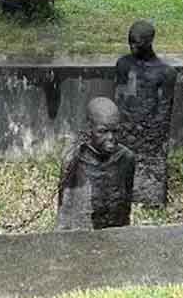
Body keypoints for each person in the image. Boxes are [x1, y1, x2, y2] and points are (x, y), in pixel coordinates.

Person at [114, 20, 175, 205]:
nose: (132, 47)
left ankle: (150, 196)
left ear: (149, 42)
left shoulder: (165, 73)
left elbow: (164, 110)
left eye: (137, 43)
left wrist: (151, 134)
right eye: (130, 41)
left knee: (149, 169)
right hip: (126, 130)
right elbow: (119, 96)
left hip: (150, 135)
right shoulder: (123, 64)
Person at [57, 97, 135, 231]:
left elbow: (126, 204)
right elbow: (65, 211)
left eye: (115, 131)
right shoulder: (74, 160)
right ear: (89, 129)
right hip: (83, 235)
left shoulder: (126, 158)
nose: (111, 138)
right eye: (103, 131)